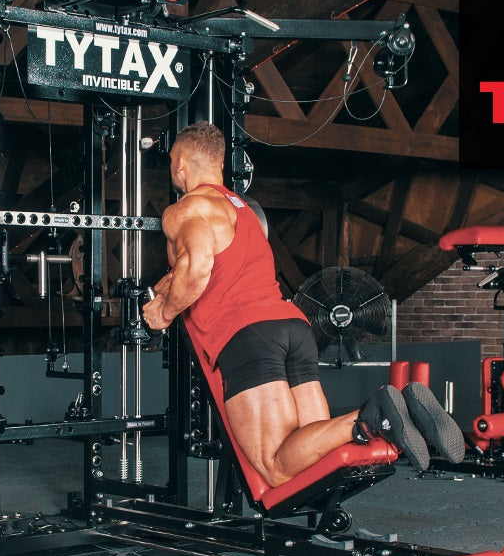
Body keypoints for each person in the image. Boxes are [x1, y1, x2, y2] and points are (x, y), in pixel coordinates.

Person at [142, 122, 464, 487]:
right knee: (314, 457)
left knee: (275, 466)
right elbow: (208, 265)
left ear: (180, 162)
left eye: (171, 161)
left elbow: (198, 269)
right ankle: (404, 410)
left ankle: (371, 417)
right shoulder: (243, 211)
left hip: (247, 336)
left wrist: (164, 314)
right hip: (292, 327)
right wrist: (165, 291)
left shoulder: (186, 208)